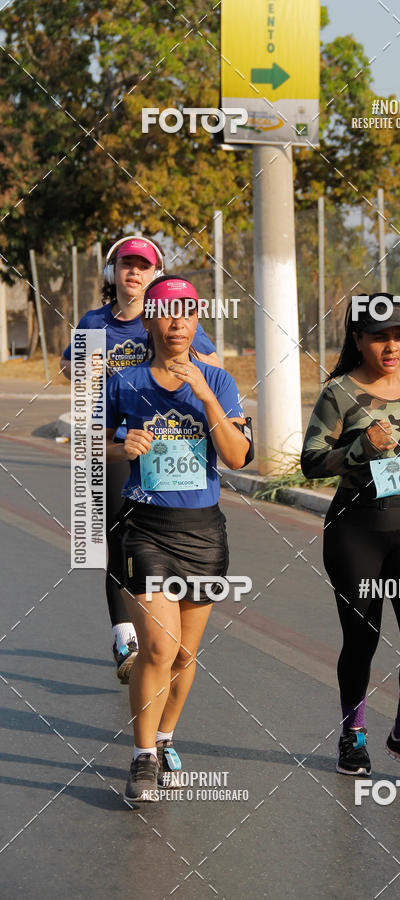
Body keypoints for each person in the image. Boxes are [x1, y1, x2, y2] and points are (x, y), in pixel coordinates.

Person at [104, 275, 251, 802]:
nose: (176, 322)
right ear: (149, 321)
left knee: (186, 656)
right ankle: (142, 759)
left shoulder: (222, 381)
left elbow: (236, 457)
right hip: (145, 530)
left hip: (204, 534)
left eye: (186, 312)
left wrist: (207, 393)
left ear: (196, 322)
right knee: (159, 647)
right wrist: (122, 448)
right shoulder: (126, 382)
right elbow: (95, 442)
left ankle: (165, 737)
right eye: (166, 312)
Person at [301, 295, 400, 781]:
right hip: (357, 529)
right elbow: (310, 463)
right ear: (358, 340)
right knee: (362, 639)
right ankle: (354, 735)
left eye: (399, 335)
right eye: (379, 336)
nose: (391, 346)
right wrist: (360, 447)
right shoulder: (339, 393)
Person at [61, 235, 221, 683]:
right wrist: (91, 372)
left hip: (169, 444)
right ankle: (125, 637)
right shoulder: (95, 322)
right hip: (116, 445)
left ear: (156, 274)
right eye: (126, 265)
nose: (134, 272)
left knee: (150, 542)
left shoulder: (168, 319)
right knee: (114, 539)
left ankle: (157, 632)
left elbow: (209, 362)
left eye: (143, 266)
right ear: (113, 273)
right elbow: (72, 375)